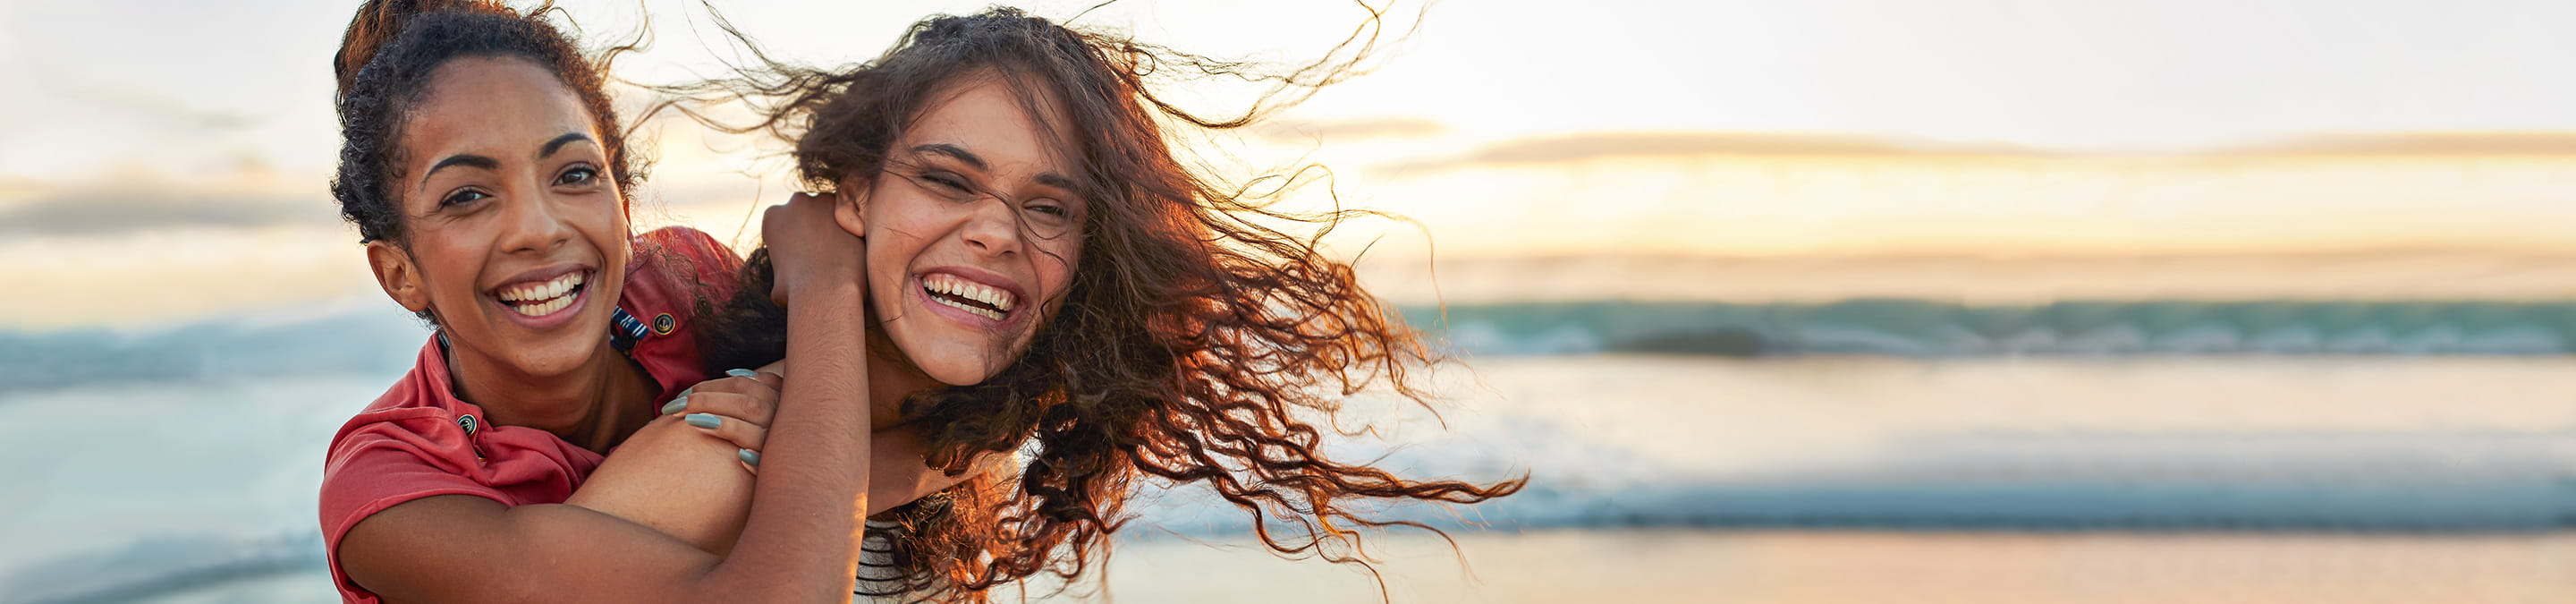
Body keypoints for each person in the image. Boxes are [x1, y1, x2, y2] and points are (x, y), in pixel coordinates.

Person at [668, 7, 1531, 600]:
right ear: (854, 195)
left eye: (1049, 207)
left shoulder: (973, 450)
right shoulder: (718, 446)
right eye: (946, 179)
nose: (997, 232)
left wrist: (944, 455)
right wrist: (825, 288)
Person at [314, 2, 968, 602]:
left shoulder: (685, 283)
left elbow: (965, 413)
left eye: (573, 174)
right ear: (399, 272)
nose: (539, 229)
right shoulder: (386, 486)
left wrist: (812, 429)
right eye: (466, 195)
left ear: (623, 209)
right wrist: (825, 284)